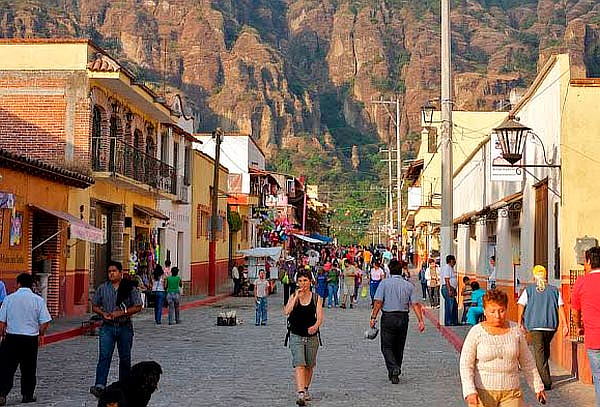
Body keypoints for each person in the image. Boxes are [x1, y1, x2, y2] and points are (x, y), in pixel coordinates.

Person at [460, 289, 546, 407]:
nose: (497, 316)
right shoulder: (476, 332)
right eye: (492, 311)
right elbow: (466, 364)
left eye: (501, 311)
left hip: (511, 393)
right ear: (484, 311)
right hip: (483, 393)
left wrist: (537, 386)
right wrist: (469, 391)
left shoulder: (516, 331)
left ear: (506, 309)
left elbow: (527, 362)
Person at [90, 260, 143, 398]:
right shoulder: (103, 288)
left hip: (124, 326)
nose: (111, 274)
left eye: (114, 271)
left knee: (125, 358)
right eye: (109, 271)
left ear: (120, 272)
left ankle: (124, 385)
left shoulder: (129, 287)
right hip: (107, 327)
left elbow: (138, 306)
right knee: (104, 356)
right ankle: (100, 385)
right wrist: (103, 314)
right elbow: (94, 305)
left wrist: (121, 313)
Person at [370, 260, 425, 384]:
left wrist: (373, 317)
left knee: (387, 346)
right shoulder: (408, 285)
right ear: (401, 271)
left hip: (388, 317)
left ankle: (393, 368)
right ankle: (395, 371)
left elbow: (378, 302)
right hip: (403, 317)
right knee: (399, 346)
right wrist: (420, 320)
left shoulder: (384, 284)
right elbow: (415, 304)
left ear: (389, 270)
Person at [0, 273, 52, 405]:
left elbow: (2, 321)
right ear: (32, 285)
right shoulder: (38, 300)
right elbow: (45, 321)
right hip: (30, 339)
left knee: (7, 368)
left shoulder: (9, 299)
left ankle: (2, 393)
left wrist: (2, 334)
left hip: (11, 338)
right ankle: (27, 395)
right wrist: (40, 334)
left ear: (18, 284)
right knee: (28, 368)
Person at [517, 265, 568, 390]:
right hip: (551, 325)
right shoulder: (554, 290)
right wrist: (565, 324)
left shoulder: (529, 290)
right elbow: (561, 307)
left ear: (534, 276)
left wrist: (519, 322)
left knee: (539, 353)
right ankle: (545, 374)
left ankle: (546, 382)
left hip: (535, 325)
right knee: (544, 350)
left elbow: (521, 305)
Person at [284, 271, 324, 406]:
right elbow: (286, 311)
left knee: (309, 365)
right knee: (299, 363)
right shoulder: (294, 296)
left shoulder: (316, 298)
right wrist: (295, 297)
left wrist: (315, 326)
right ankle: (300, 392)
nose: (303, 284)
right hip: (296, 335)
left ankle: (306, 388)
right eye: (300, 281)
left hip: (312, 337)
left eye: (305, 280)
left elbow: (319, 317)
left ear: (310, 282)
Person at [572, 246, 600, 406]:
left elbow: (575, 312)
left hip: (594, 339)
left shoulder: (581, 282)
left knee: (598, 376)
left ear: (589, 261)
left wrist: (578, 326)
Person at [440, 255, 459, 326]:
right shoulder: (447, 268)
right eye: (454, 260)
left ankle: (454, 321)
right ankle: (448, 321)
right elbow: (447, 279)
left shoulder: (451, 268)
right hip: (447, 288)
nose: (455, 262)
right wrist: (449, 290)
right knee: (449, 305)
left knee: (454, 305)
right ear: (450, 260)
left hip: (451, 288)